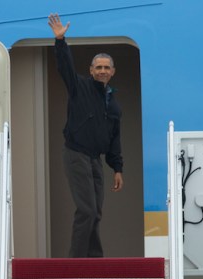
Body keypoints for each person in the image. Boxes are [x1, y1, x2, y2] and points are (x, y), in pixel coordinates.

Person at [48, 13, 124, 258]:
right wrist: (60, 41)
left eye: (106, 67)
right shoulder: (78, 87)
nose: (102, 71)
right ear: (91, 70)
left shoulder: (113, 104)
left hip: (95, 159)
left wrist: (117, 168)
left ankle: (94, 260)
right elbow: (65, 67)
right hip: (76, 153)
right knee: (87, 210)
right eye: (98, 67)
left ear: (112, 71)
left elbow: (114, 140)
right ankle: (76, 263)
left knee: (96, 212)